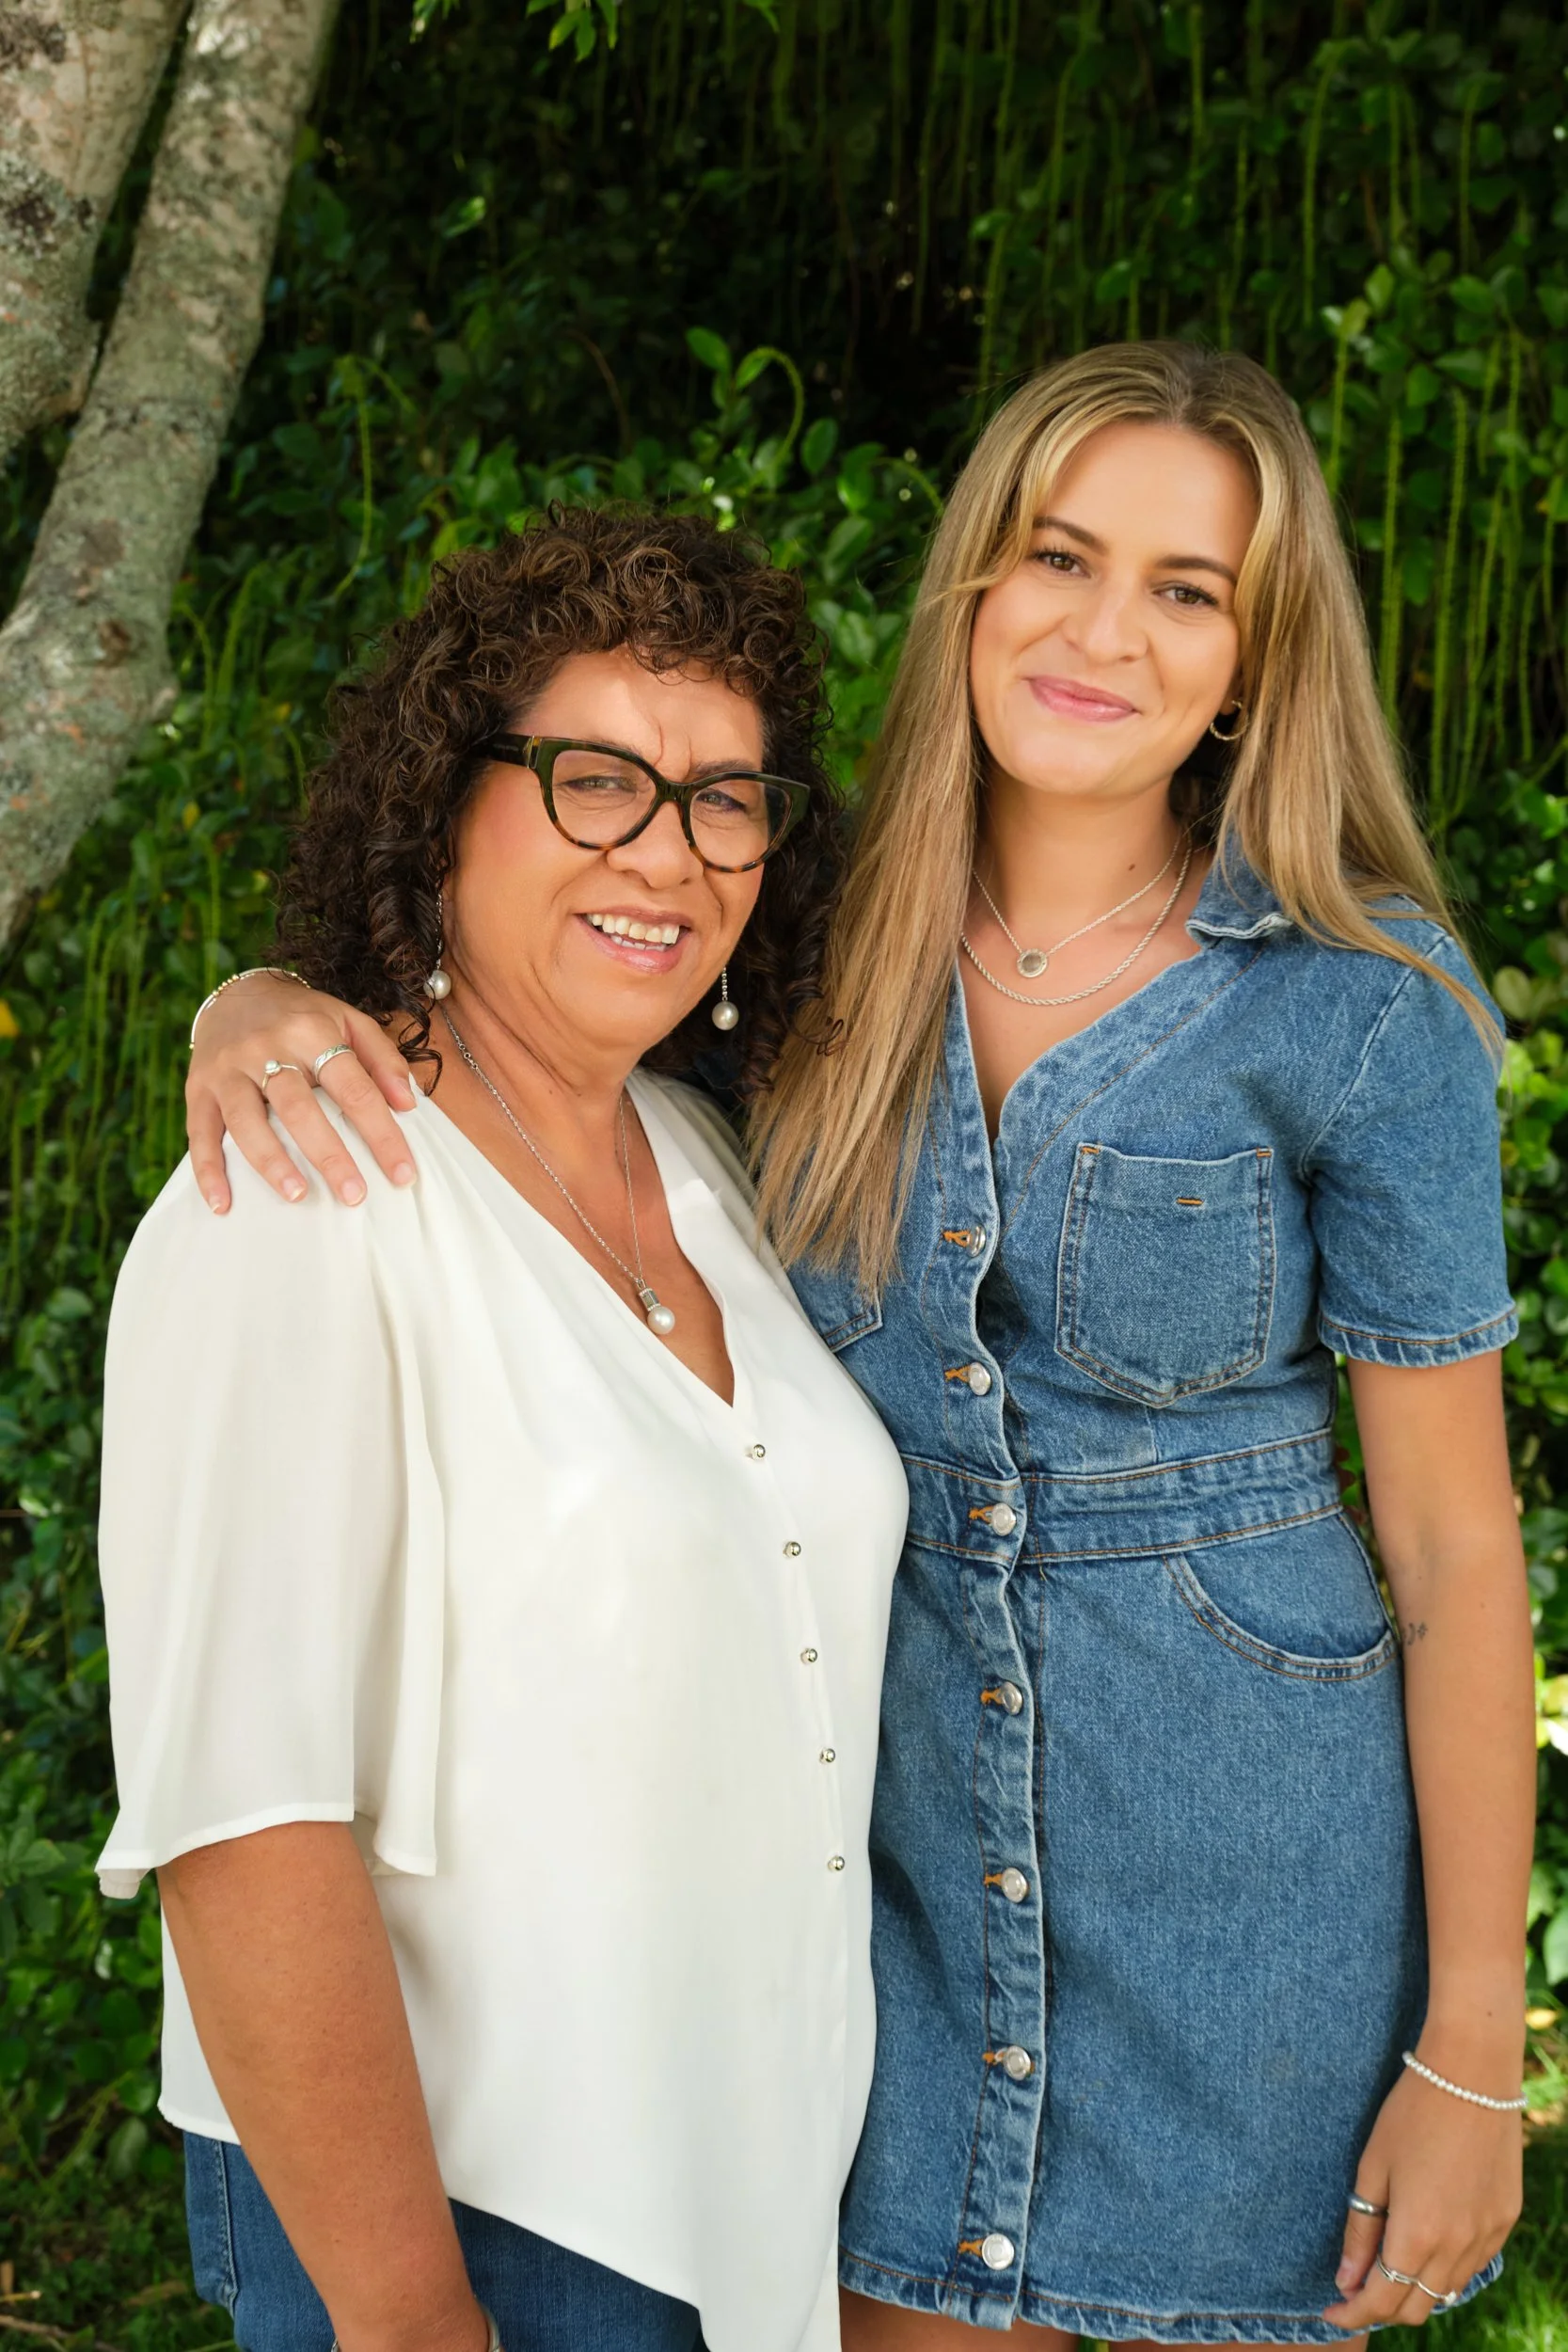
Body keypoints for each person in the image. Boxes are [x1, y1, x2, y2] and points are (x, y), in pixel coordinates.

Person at [185, 343, 1536, 2349]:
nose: (1101, 629)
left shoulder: (1357, 999)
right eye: (1056, 556)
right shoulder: (800, 957)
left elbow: (1447, 1548)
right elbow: (531, 976)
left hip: (1246, 1904)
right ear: (971, 585)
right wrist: (262, 988)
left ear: (1254, 657)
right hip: (882, 1930)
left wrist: (1466, 2051)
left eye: (1186, 588)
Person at [97, 507, 909, 2352]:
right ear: (442, 805)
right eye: (595, 780)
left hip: (749, 2217)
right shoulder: (296, 1202)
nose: (671, 852)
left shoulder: (711, 1166)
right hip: (476, 2234)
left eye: (725, 797)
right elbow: (246, 1824)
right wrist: (411, 2317)